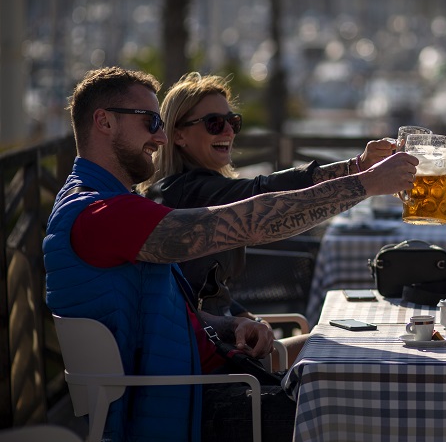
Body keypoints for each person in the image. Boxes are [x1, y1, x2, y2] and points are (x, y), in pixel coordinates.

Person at [43, 67, 417, 442]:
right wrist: (364, 184)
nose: (159, 135)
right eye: (150, 121)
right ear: (104, 122)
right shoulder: (101, 214)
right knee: (378, 406)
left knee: (365, 381)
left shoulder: (101, 204)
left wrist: (229, 324)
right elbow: (249, 221)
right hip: (197, 402)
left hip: (207, 382)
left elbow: (160, 308)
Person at [139, 71, 394, 366]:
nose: (228, 132)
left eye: (233, 122)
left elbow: (205, 291)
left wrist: (245, 318)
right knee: (346, 350)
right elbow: (263, 191)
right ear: (178, 134)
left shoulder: (186, 188)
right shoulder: (188, 192)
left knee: (346, 343)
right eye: (214, 124)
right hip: (209, 362)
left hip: (220, 346)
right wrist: (364, 176)